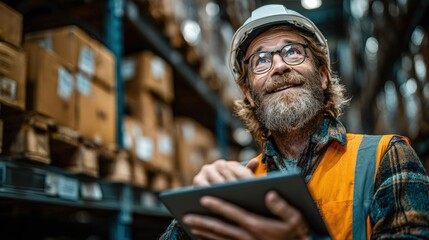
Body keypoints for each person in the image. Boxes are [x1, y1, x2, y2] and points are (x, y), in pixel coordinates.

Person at [160, 4, 429, 240]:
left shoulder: (386, 158)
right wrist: (197, 209)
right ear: (249, 96)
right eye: (261, 60)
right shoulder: (235, 184)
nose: (279, 66)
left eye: (292, 51)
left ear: (323, 76)